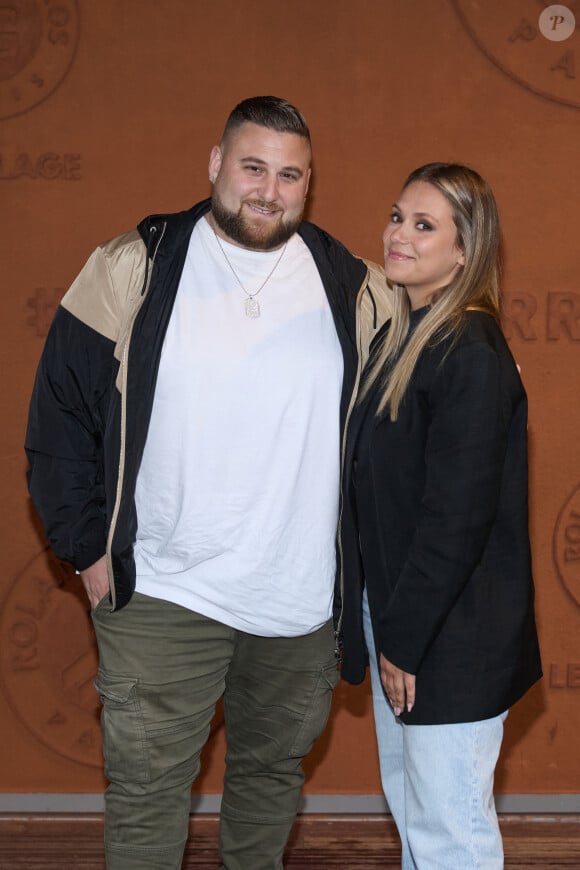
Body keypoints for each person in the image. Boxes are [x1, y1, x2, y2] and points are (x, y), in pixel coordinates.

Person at [25, 96, 389, 870]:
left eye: (290, 174)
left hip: (297, 604)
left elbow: (414, 400)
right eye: (253, 167)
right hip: (163, 591)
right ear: (217, 165)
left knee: (269, 781)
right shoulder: (136, 263)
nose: (269, 189)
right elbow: (58, 415)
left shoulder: (351, 285)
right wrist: (85, 547)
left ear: (309, 183)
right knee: (148, 788)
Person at [339, 163, 542, 869]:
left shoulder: (470, 353)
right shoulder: (410, 335)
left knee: (450, 834)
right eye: (398, 216)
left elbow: (455, 520)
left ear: (464, 251)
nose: (399, 234)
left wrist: (404, 640)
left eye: (424, 225)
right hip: (407, 621)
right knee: (421, 820)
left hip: (448, 637)